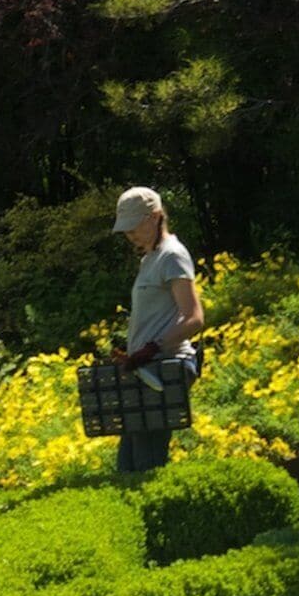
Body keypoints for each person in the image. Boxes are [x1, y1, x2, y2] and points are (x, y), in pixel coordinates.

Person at [112, 185, 202, 474]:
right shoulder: (150, 258)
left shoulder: (172, 255)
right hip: (146, 369)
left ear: (154, 217)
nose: (130, 235)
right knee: (126, 467)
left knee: (145, 468)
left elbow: (194, 318)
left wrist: (152, 348)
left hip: (163, 370)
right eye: (126, 230)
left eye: (134, 227)